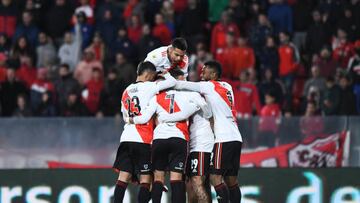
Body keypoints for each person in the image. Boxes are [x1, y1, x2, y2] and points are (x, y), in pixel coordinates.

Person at [127, 68, 208, 203]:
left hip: (160, 139)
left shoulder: (156, 98)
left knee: (158, 177)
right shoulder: (188, 95)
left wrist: (130, 119)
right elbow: (203, 106)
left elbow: (144, 118)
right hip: (179, 138)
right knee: (176, 178)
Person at [174, 61, 243, 203]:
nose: (201, 73)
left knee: (214, 177)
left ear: (213, 74)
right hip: (236, 136)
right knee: (231, 181)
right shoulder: (227, 86)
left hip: (223, 138)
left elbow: (181, 84)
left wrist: (164, 78)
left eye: (204, 71)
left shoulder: (209, 86)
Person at [112, 61, 176, 203]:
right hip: (143, 139)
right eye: (153, 76)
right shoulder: (150, 87)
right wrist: (162, 74)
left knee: (123, 177)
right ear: (147, 75)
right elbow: (172, 82)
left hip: (126, 137)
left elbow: (125, 116)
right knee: (146, 178)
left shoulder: (126, 90)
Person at [154, 69, 214, 203]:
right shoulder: (177, 96)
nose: (186, 81)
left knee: (198, 181)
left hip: (200, 142)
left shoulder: (192, 93)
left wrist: (168, 118)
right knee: (189, 181)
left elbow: (206, 108)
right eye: (183, 78)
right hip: (188, 142)